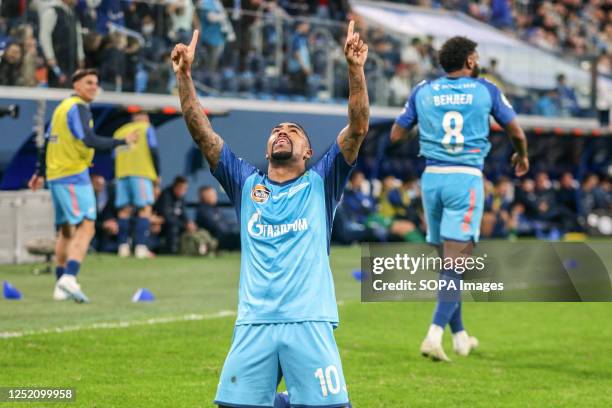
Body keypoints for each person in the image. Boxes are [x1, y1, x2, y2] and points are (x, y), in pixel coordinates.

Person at [171, 21, 368, 407]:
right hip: (254, 323)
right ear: (266, 149)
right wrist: (184, 77)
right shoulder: (245, 184)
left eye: (293, 130)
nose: (282, 131)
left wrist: (354, 70)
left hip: (308, 321)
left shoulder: (321, 181)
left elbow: (358, 129)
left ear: (308, 152)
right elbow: (203, 134)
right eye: (277, 129)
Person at [391, 36, 529, 362]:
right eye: (476, 55)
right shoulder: (485, 89)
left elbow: (397, 134)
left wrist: (428, 124)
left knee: (448, 263)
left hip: (432, 178)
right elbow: (517, 133)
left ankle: (461, 336)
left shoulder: (422, 90)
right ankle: (433, 335)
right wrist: (522, 157)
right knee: (457, 263)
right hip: (465, 179)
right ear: (469, 60)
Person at [28, 68, 138, 302]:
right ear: (75, 85)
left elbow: (46, 143)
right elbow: (88, 139)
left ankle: (59, 285)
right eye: (88, 82)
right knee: (87, 227)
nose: (93, 87)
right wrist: (121, 141)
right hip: (73, 176)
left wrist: (39, 172)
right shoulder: (77, 108)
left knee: (66, 232)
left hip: (56, 176)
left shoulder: (61, 109)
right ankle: (70, 276)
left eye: (96, 83)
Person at [113, 111, 160, 259]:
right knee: (145, 209)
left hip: (121, 174)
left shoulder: (119, 132)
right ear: (144, 117)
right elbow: (154, 150)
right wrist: (158, 173)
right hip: (141, 173)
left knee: (124, 211)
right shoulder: (146, 128)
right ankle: (141, 247)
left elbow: (113, 155)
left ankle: (123, 247)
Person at [38, 0, 85, 87]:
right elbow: (44, 35)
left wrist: (80, 56)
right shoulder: (52, 11)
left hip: (72, 61)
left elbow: (78, 36)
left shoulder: (73, 13)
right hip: (57, 60)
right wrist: (50, 56)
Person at [153, 175, 195, 254]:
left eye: (185, 189)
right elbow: (167, 218)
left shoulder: (181, 198)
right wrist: (184, 225)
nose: (183, 191)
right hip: (161, 225)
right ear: (175, 187)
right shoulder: (166, 195)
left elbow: (183, 213)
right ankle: (172, 252)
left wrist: (188, 223)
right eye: (181, 189)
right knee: (173, 228)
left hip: (176, 224)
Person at [195, 186, 240, 251]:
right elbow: (214, 227)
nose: (215, 197)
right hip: (215, 239)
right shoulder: (203, 210)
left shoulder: (215, 208)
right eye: (212, 195)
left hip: (225, 236)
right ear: (205, 196)